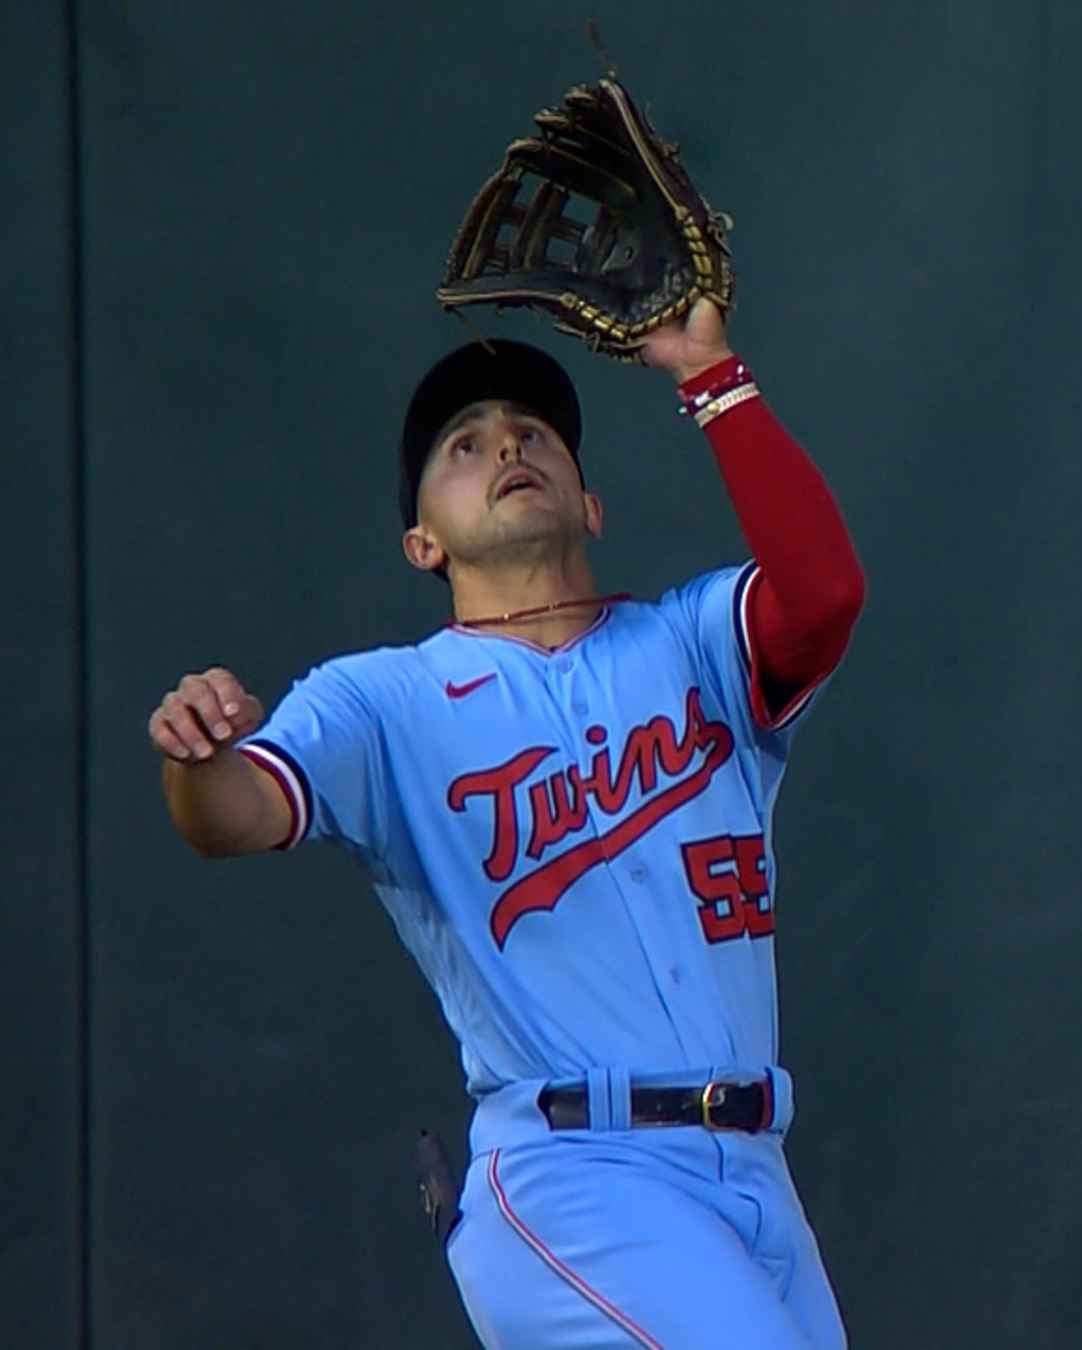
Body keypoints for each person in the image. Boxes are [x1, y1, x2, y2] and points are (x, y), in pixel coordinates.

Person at [147, 298, 863, 1347]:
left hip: (756, 1167)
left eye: (533, 433)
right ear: (421, 541)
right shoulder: (381, 703)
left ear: (593, 501)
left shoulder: (697, 643)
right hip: (577, 1175)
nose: (508, 446)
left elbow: (824, 593)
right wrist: (195, 760)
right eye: (465, 444)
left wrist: (713, 377)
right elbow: (236, 814)